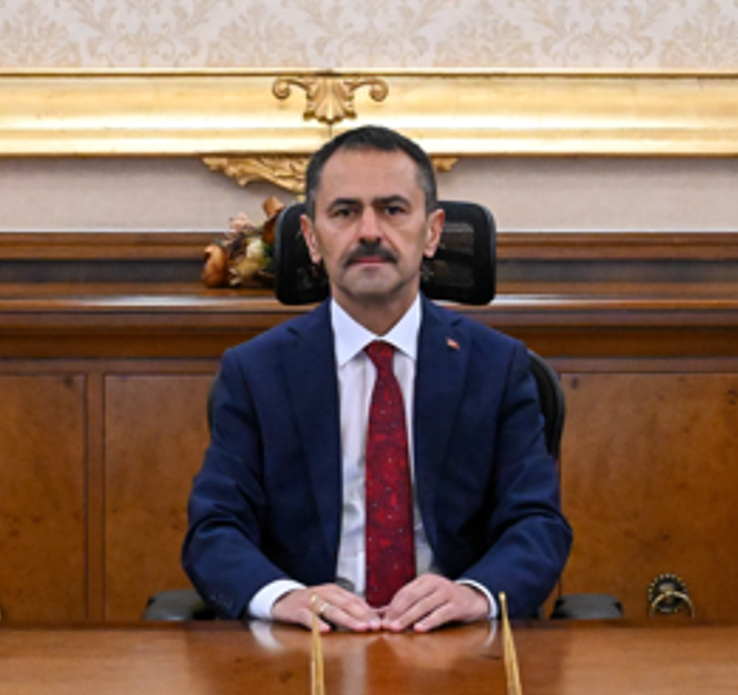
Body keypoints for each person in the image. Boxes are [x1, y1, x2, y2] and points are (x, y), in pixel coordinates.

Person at [183, 125, 571, 633]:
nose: (369, 231)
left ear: (432, 232)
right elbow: (214, 530)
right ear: (311, 238)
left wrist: (474, 593)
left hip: (454, 641)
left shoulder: (496, 368)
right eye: (345, 212)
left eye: (392, 210)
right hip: (310, 643)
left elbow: (538, 523)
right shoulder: (257, 373)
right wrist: (283, 598)